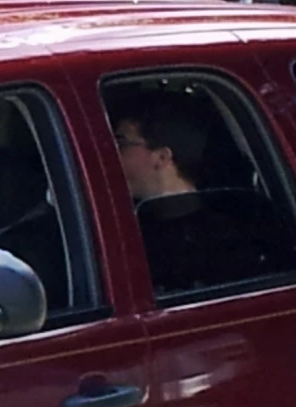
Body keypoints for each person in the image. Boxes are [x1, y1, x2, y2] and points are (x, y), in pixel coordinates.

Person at [110, 89, 268, 294]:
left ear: (162, 157)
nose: (110, 151)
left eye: (121, 143)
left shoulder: (229, 240)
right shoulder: (117, 224)